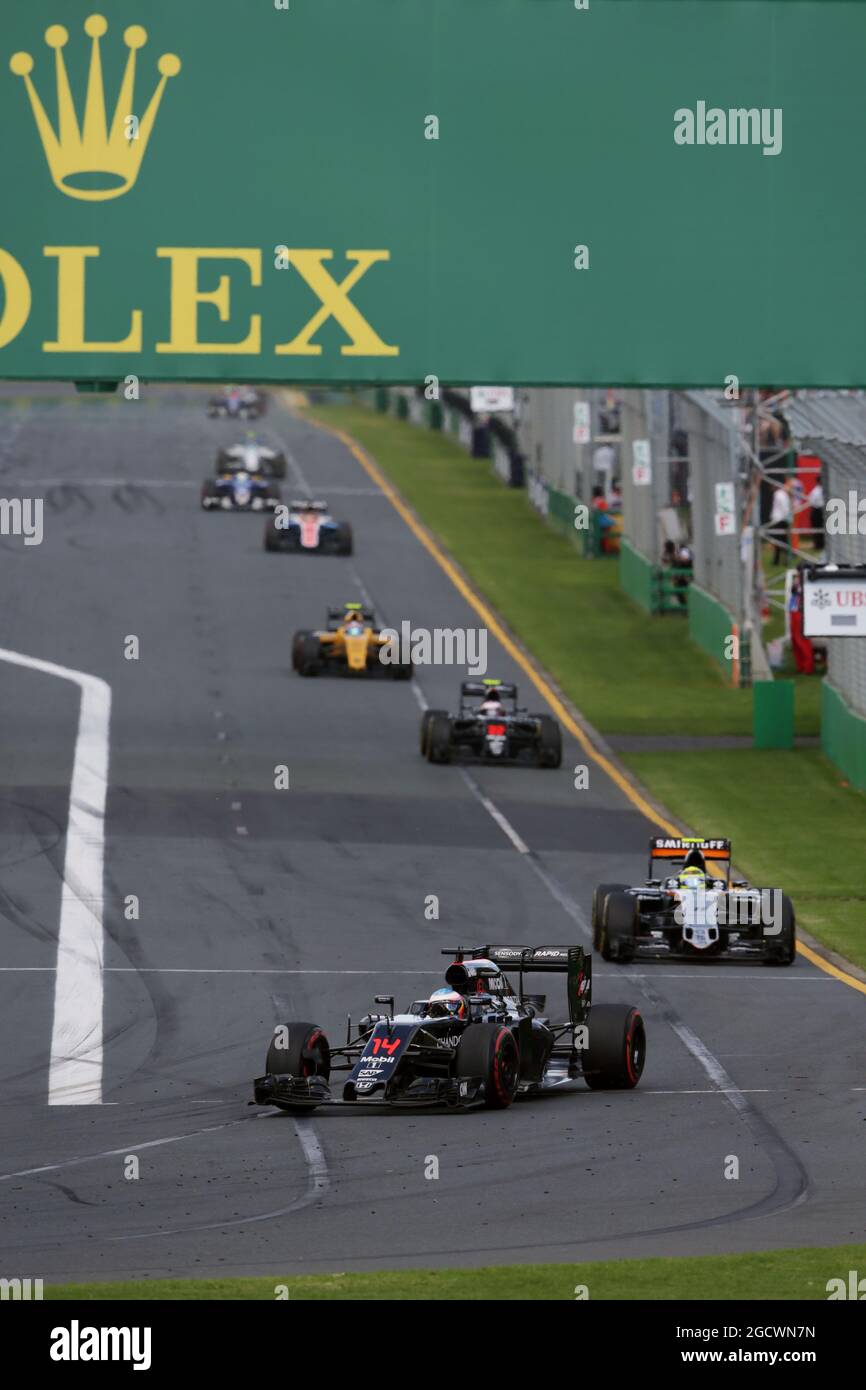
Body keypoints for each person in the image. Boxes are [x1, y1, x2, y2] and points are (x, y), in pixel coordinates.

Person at [769, 479, 792, 565]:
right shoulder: (782, 494)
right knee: (783, 541)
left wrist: (788, 519)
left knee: (780, 541)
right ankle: (784, 559)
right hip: (782, 520)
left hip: (780, 520)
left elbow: (784, 508)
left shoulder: (779, 494)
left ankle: (779, 560)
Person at [807, 477, 825, 550]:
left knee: (821, 529)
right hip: (817, 511)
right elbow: (811, 502)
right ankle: (818, 545)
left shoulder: (818, 490)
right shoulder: (816, 491)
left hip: (821, 510)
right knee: (817, 529)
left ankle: (821, 544)